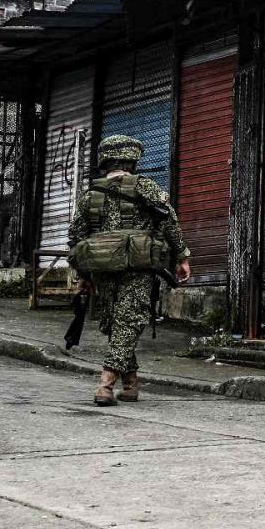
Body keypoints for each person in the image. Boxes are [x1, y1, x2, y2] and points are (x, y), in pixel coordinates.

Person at [68, 135, 190, 406]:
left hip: (102, 267)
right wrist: (182, 256)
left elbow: (76, 237)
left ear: (105, 160)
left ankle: (130, 384)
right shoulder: (145, 186)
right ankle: (106, 385)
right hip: (137, 267)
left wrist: (82, 276)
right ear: (132, 160)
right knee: (125, 322)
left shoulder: (91, 194)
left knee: (119, 323)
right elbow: (169, 221)